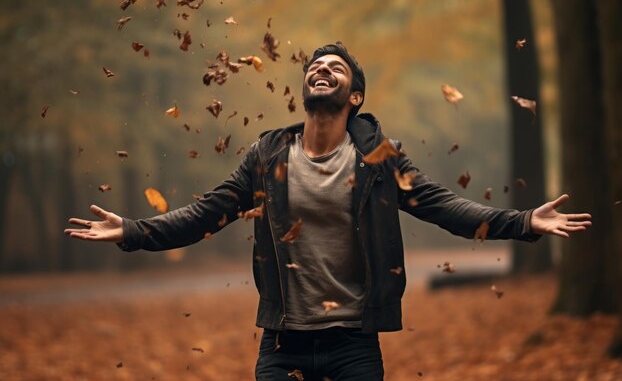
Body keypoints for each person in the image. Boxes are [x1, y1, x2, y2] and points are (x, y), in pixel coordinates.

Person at [66, 42, 592, 380]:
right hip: (281, 343)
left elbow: (440, 205)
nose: (321, 69)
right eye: (315, 66)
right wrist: (133, 230)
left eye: (335, 67)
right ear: (305, 88)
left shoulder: (380, 159)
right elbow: (208, 213)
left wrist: (524, 222)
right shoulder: (268, 154)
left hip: (353, 345)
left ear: (354, 95)